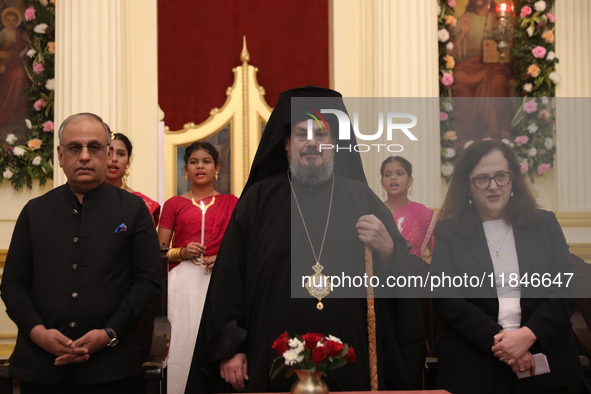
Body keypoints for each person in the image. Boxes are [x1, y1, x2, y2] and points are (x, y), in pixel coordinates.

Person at [185, 86, 425, 393]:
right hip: (270, 357)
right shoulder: (258, 201)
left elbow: (400, 284)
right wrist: (231, 347)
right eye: (301, 134)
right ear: (286, 144)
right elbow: (229, 280)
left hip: (349, 360)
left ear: (335, 143)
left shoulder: (361, 198)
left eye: (321, 135)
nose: (312, 143)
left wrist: (389, 249)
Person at [0, 113, 162, 393]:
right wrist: (39, 333)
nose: (84, 156)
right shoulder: (34, 212)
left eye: (94, 147)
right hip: (41, 367)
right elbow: (13, 284)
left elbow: (148, 282)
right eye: (75, 148)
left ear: (109, 153)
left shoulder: (134, 211)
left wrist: (109, 334)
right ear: (61, 155)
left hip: (111, 368)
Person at [430, 140, 583, 393]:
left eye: (501, 176)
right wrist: (504, 344)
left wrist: (527, 336)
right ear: (467, 185)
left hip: (543, 350)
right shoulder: (449, 231)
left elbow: (563, 291)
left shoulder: (544, 223)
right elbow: (447, 297)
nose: (493, 186)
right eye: (482, 178)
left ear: (513, 177)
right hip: (473, 356)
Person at [158, 141, 238, 394]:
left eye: (206, 161)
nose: (200, 166)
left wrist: (222, 257)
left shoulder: (232, 202)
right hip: (181, 284)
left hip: (218, 282)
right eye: (193, 162)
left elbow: (242, 247)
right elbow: (158, 252)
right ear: (185, 169)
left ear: (217, 167)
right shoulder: (173, 204)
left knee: (214, 342)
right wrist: (181, 252)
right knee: (182, 343)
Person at [451, 0, 514, 142]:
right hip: (471, 66)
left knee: (499, 82)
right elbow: (456, 56)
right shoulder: (464, 19)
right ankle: (465, 135)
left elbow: (511, 48)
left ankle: (496, 134)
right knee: (459, 78)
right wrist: (462, 33)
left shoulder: (499, 18)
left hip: (495, 67)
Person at [380, 156, 436, 258]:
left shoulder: (423, 214)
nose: (393, 177)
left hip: (413, 272)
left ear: (410, 181)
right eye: (387, 175)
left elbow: (438, 257)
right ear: (382, 182)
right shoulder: (376, 213)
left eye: (399, 174)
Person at [105, 131, 161, 226]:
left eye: (121, 154)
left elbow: (147, 240)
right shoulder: (83, 197)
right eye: (108, 153)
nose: (114, 159)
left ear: (128, 163)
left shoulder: (142, 203)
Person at [0, 7, 30, 139]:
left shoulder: (19, 33)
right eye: (8, 20)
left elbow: (27, 43)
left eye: (13, 20)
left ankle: (15, 115)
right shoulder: (2, 33)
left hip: (16, 61)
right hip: (4, 60)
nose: (11, 22)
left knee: (20, 73)